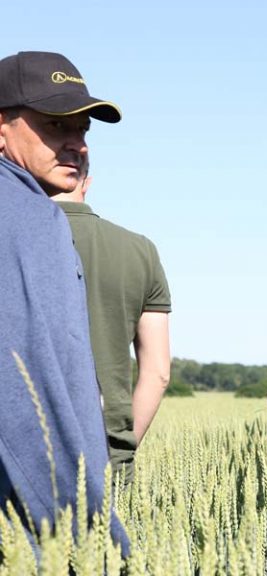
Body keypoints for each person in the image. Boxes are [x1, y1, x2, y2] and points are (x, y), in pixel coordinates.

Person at [0, 51, 129, 552]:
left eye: (84, 129)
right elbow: (25, 394)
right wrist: (95, 540)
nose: (76, 144)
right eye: (55, 125)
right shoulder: (27, 218)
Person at [50, 162, 172, 483]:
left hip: (19, 453)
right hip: (107, 450)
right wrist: (120, 448)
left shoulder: (11, 238)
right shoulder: (141, 250)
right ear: (85, 182)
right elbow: (157, 373)